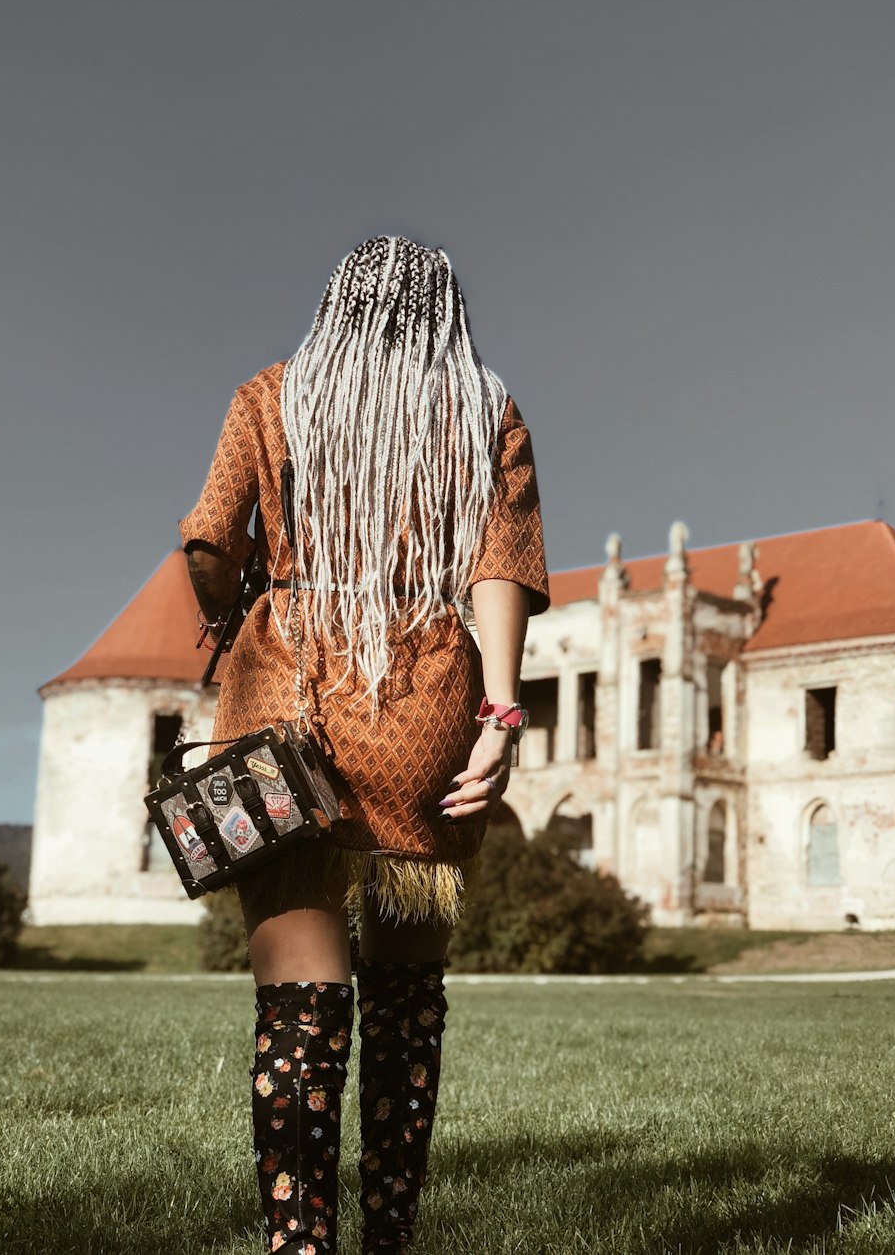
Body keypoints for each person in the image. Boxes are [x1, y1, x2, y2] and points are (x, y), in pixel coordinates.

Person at [179, 235, 549, 1254]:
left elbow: (210, 539)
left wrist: (237, 606)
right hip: (422, 701)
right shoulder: (481, 408)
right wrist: (502, 714)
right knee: (405, 999)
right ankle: (389, 1237)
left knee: (300, 1006)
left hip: (284, 697)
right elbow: (499, 564)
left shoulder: (272, 394)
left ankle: (300, 1242)